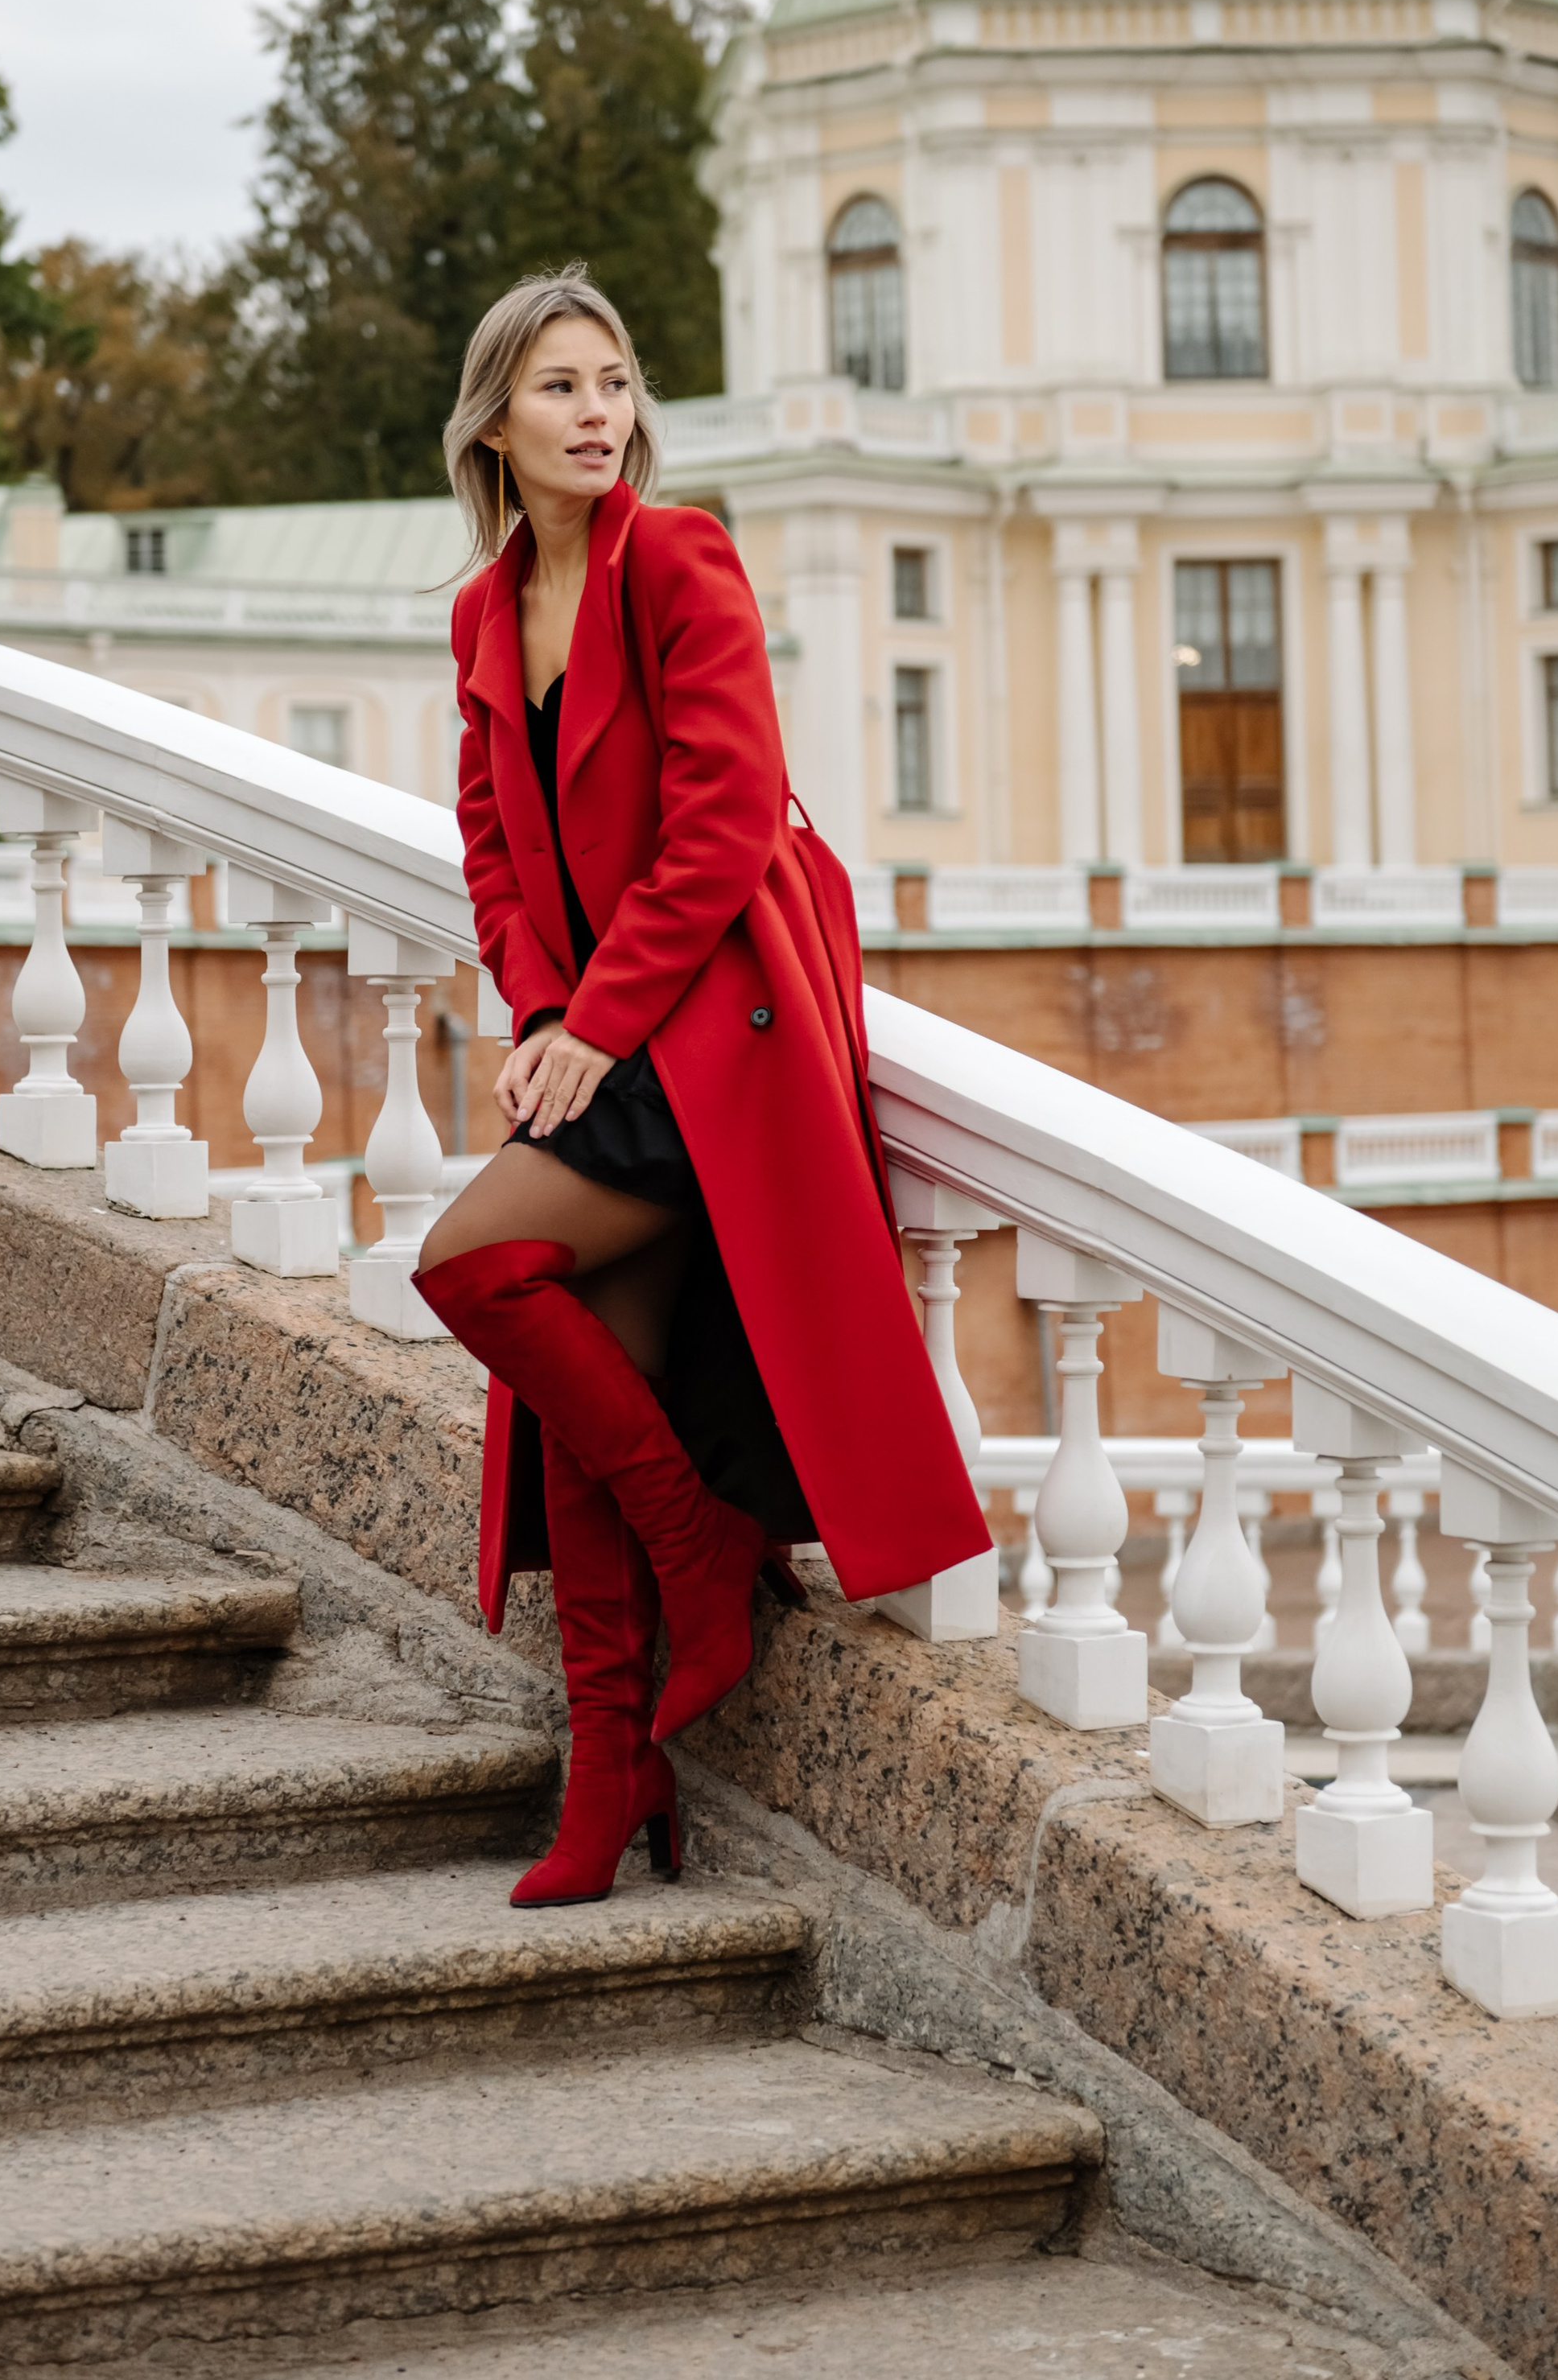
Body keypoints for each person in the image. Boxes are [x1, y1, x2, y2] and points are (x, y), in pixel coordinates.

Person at [413, 266, 989, 1910]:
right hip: (599, 1027)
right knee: (583, 1385)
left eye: (613, 382)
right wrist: (535, 1002)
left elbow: (724, 819)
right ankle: (612, 1775)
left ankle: (700, 1542)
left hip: (706, 1027)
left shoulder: (679, 556)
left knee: (471, 1263)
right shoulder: (482, 610)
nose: (598, 414)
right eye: (559, 389)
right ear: (494, 426)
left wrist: (590, 1025)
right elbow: (490, 846)